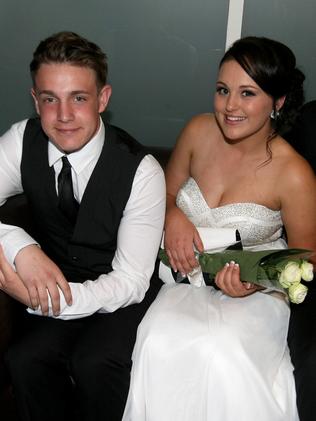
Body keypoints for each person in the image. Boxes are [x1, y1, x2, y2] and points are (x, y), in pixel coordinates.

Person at [122, 36, 316, 421]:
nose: (230, 106)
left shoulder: (293, 172)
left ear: (277, 103)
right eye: (223, 90)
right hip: (186, 281)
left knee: (222, 350)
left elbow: (308, 253)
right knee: (157, 341)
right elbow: (167, 190)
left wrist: (258, 281)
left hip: (256, 297)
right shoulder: (197, 131)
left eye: (248, 93)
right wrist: (174, 215)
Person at [0, 31, 165, 421]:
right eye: (49, 99)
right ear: (34, 99)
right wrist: (19, 245)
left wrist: (47, 301)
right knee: (24, 360)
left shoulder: (141, 171)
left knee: (97, 362)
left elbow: (130, 281)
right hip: (58, 277)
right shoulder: (22, 140)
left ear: (103, 99)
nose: (64, 116)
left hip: (123, 290)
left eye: (79, 98)